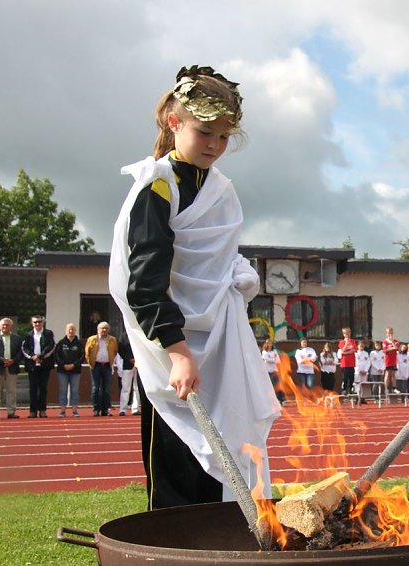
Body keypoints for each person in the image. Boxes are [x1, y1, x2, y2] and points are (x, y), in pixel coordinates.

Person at [109, 65, 281, 509]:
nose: (214, 145)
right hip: (170, 355)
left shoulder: (220, 188)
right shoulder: (157, 187)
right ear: (174, 122)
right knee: (175, 473)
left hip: (219, 347)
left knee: (222, 465)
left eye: (224, 137)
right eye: (205, 132)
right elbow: (143, 284)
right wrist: (179, 352)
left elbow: (217, 258)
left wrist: (238, 273)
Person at [0, 317, 24, 419]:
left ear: (11, 326)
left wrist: (13, 360)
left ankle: (11, 412)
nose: (5, 326)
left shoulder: (17, 338)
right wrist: (2, 360)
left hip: (12, 367)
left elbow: (20, 353)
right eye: (3, 324)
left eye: (7, 325)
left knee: (11, 391)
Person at [21, 315, 56, 419]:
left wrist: (41, 356)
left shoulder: (49, 333)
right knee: (33, 389)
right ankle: (32, 411)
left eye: (39, 322)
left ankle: (42, 410)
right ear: (32, 323)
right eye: (35, 322)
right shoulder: (28, 335)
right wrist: (33, 357)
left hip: (45, 365)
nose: (37, 324)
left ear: (43, 323)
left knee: (43, 388)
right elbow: (24, 348)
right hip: (32, 366)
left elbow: (51, 346)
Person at [55, 323, 84, 417]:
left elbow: (82, 356)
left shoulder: (79, 343)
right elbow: (57, 355)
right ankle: (62, 411)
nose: (71, 331)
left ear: (75, 331)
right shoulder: (61, 343)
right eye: (69, 329)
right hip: (62, 371)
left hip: (75, 371)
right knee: (63, 390)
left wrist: (74, 365)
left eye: (72, 329)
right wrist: (63, 365)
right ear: (66, 330)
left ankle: (74, 411)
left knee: (75, 390)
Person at [116, 332, 140, 415]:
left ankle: (135, 409)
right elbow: (120, 349)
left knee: (137, 387)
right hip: (127, 364)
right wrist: (129, 359)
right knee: (126, 387)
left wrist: (138, 359)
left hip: (140, 364)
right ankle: (123, 409)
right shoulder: (123, 336)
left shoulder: (139, 333)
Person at [261, 340, 285, 405]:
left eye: (271, 343)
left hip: (274, 371)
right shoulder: (264, 352)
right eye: (268, 343)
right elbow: (266, 359)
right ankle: (269, 401)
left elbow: (278, 360)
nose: (270, 345)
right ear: (266, 344)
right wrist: (273, 359)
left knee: (278, 385)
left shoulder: (275, 351)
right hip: (267, 371)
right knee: (269, 386)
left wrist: (271, 360)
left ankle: (281, 400)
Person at [338, 327, 357, 394]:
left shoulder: (353, 341)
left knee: (351, 376)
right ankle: (345, 389)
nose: (348, 335)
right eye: (346, 334)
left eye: (349, 333)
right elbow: (342, 350)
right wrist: (346, 343)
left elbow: (354, 350)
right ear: (344, 334)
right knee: (345, 376)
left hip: (351, 362)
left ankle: (351, 388)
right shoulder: (342, 342)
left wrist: (346, 353)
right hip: (345, 363)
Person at [381, 327, 400, 395]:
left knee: (393, 374)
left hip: (394, 360)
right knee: (387, 374)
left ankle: (394, 388)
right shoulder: (385, 342)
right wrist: (392, 348)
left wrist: (392, 342)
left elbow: (397, 348)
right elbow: (384, 350)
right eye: (388, 333)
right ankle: (385, 388)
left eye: (391, 333)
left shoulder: (395, 341)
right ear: (386, 334)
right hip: (388, 360)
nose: (390, 334)